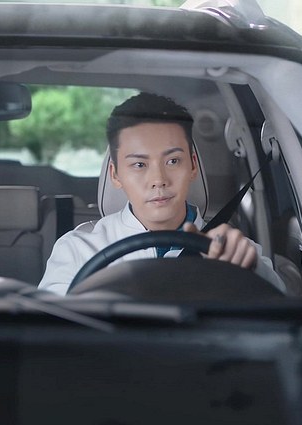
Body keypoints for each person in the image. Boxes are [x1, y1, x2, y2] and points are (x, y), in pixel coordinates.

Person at [38, 93, 286, 295]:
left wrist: (249, 268)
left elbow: (277, 313)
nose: (158, 180)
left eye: (173, 161)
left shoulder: (235, 251)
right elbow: (54, 330)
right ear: (115, 174)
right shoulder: (78, 250)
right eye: (139, 164)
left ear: (193, 165)